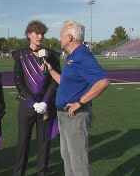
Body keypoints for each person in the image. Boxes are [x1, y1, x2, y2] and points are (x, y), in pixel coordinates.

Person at [44, 20, 110, 176]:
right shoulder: (72, 56)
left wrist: (80, 102)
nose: (59, 38)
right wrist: (51, 70)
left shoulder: (82, 55)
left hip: (75, 116)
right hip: (64, 115)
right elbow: (66, 83)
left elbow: (103, 82)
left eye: (61, 35)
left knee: (78, 161)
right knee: (67, 157)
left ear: (69, 37)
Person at [12, 20, 61, 176]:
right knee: (23, 143)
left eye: (42, 34)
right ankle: (19, 173)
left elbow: (55, 80)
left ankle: (43, 172)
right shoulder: (19, 55)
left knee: (44, 143)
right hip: (27, 106)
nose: (40, 36)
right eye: (37, 33)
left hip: (46, 106)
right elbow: (19, 83)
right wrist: (33, 103)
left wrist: (45, 102)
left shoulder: (51, 55)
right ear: (29, 35)